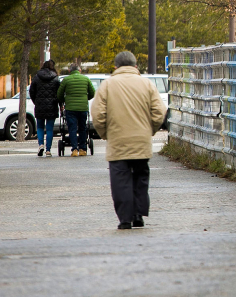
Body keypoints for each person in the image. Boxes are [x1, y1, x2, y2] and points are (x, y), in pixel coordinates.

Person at [91, 51, 165, 230]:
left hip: (118, 142)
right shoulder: (147, 84)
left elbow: (98, 114)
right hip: (141, 140)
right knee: (140, 176)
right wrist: (150, 130)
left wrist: (105, 134)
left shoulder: (107, 85)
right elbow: (159, 112)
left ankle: (125, 219)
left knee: (120, 179)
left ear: (115, 67)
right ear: (136, 66)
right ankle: (138, 215)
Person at [57, 64, 95, 156]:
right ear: (80, 70)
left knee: (72, 128)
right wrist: (86, 99)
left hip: (70, 108)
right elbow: (92, 92)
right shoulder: (86, 79)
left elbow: (59, 94)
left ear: (70, 71)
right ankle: (83, 149)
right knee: (83, 128)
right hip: (83, 108)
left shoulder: (66, 80)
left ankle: (74, 149)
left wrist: (63, 101)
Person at [28, 61, 61, 157]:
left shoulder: (37, 77)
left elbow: (31, 91)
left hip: (40, 105)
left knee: (40, 127)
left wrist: (36, 101)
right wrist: (59, 103)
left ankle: (41, 144)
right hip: (52, 106)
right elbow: (59, 93)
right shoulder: (55, 78)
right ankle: (48, 150)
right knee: (50, 129)